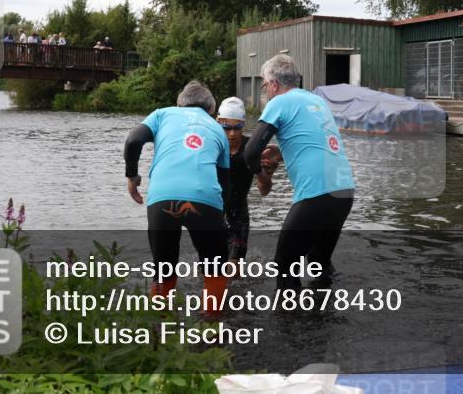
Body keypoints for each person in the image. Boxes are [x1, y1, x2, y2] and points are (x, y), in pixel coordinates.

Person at [244, 54, 355, 290]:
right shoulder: (316, 101)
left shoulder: (280, 102)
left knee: (285, 263)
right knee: (318, 261)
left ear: (273, 84)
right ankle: (324, 317)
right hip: (344, 190)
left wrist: (262, 177)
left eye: (264, 85)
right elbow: (316, 142)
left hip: (317, 193)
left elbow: (251, 152)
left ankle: (288, 322)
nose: (266, 91)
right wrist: (282, 152)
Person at [123, 81, 231, 315]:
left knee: (163, 268)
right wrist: (220, 222)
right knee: (216, 267)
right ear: (211, 109)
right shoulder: (218, 130)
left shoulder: (162, 114)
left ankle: (158, 328)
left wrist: (132, 176)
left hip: (162, 197)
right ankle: (211, 328)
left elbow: (132, 141)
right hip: (206, 199)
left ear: (179, 102)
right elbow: (224, 184)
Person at [215, 96, 274, 265]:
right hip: (213, 212)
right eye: (226, 128)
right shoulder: (211, 147)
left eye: (237, 128)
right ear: (217, 122)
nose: (232, 134)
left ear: (243, 125)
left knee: (234, 268)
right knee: (209, 267)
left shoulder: (253, 150)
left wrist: (265, 173)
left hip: (238, 213)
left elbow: (264, 191)